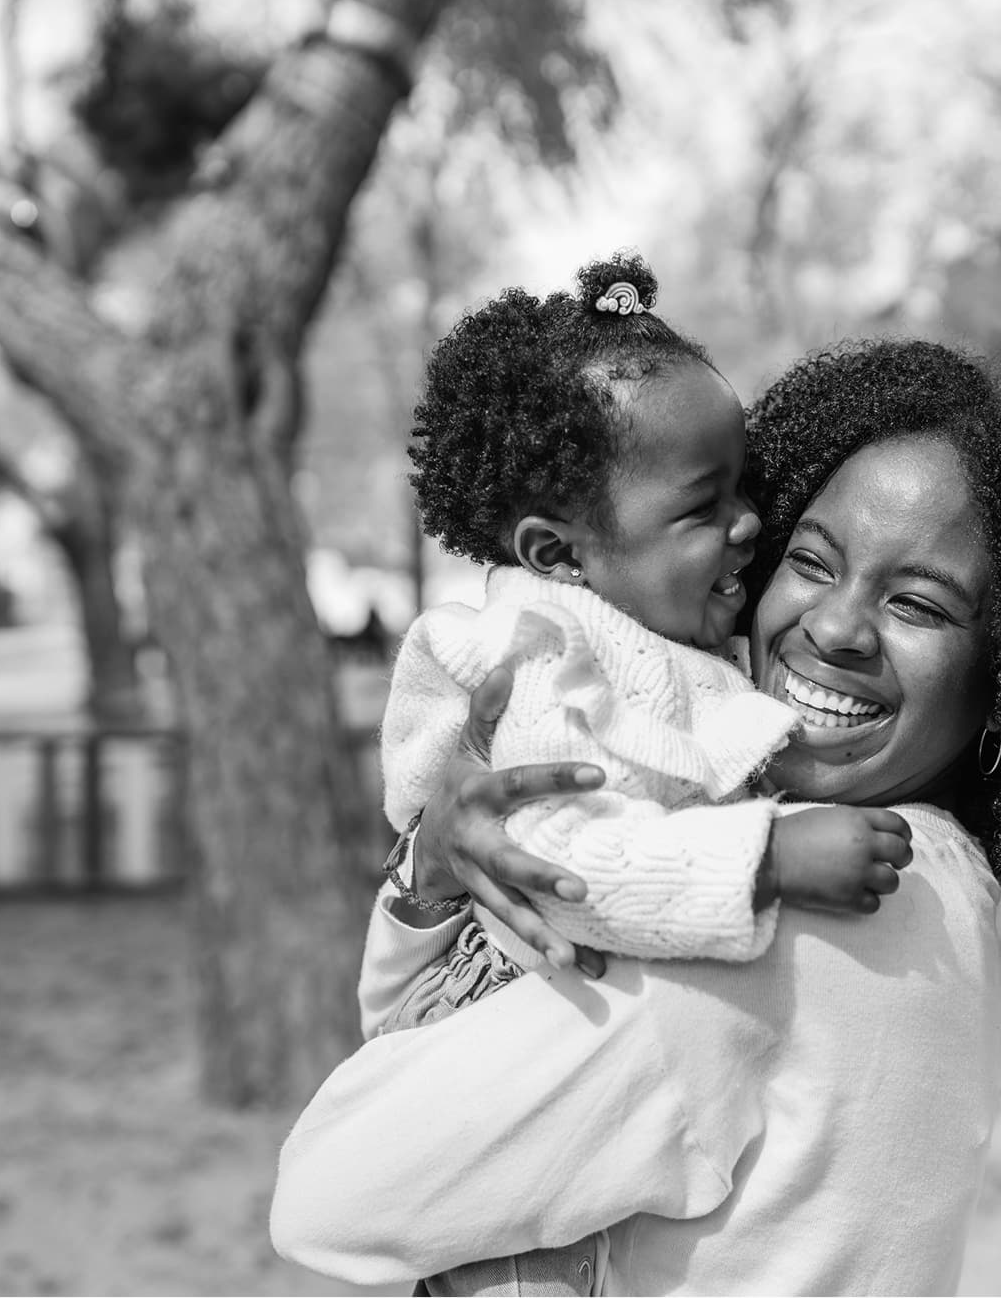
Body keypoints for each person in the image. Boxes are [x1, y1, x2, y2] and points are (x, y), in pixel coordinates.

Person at [273, 339, 1001, 1294]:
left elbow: (332, 1194)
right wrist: (433, 880)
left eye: (921, 606)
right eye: (811, 561)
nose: (836, 627)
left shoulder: (789, 915)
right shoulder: (930, 887)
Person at [371, 257, 915, 1294]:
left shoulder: (664, 639)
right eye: (701, 507)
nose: (749, 524)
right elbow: (553, 856)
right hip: (508, 1102)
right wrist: (762, 860)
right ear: (558, 553)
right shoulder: (539, 660)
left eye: (745, 487)